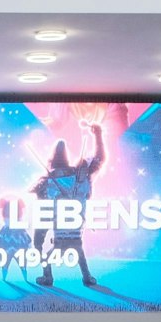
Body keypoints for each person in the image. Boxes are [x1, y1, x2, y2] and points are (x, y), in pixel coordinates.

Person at [32, 121, 105, 287]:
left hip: (61, 235)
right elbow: (99, 159)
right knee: (78, 250)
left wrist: (39, 238)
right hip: (75, 231)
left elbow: (43, 215)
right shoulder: (80, 175)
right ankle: (86, 277)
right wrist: (98, 135)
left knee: (51, 254)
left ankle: (48, 277)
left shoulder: (46, 182)